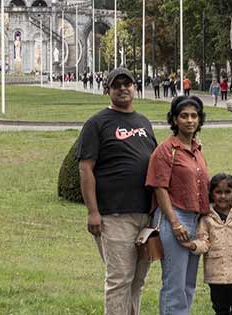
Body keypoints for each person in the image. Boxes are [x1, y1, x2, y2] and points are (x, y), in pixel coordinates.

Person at [77, 67, 158, 315]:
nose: (123, 88)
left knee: (137, 280)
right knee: (119, 279)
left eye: (128, 83)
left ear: (134, 87)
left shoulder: (143, 122)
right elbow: (85, 169)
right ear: (108, 90)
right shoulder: (97, 123)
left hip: (145, 215)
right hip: (114, 215)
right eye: (117, 85)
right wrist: (93, 212)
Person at [146, 95, 210, 315]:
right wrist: (174, 223)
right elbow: (159, 187)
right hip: (174, 220)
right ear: (174, 120)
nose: (190, 120)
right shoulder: (165, 150)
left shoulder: (197, 149)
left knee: (189, 284)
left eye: (194, 116)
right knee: (175, 286)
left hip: (194, 220)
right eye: (184, 116)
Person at [190, 173, 232, 315]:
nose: (223, 196)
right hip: (216, 275)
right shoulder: (207, 219)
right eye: (218, 192)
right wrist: (194, 246)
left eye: (227, 192)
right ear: (212, 193)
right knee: (220, 309)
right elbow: (204, 241)